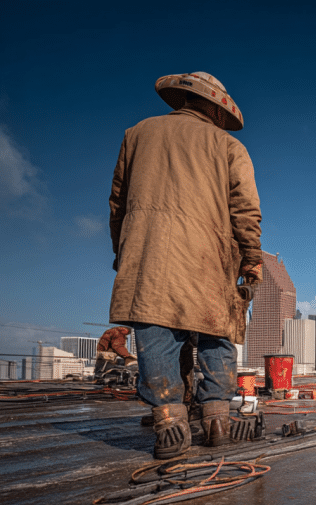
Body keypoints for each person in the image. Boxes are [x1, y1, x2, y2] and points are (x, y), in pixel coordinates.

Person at [108, 72, 260, 459]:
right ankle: (217, 420)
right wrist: (252, 260)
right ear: (214, 106)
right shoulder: (228, 145)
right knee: (216, 334)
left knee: (156, 332)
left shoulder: (137, 134)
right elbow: (245, 211)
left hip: (148, 252)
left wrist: (123, 252)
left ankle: (169, 424)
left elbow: (117, 205)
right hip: (209, 255)